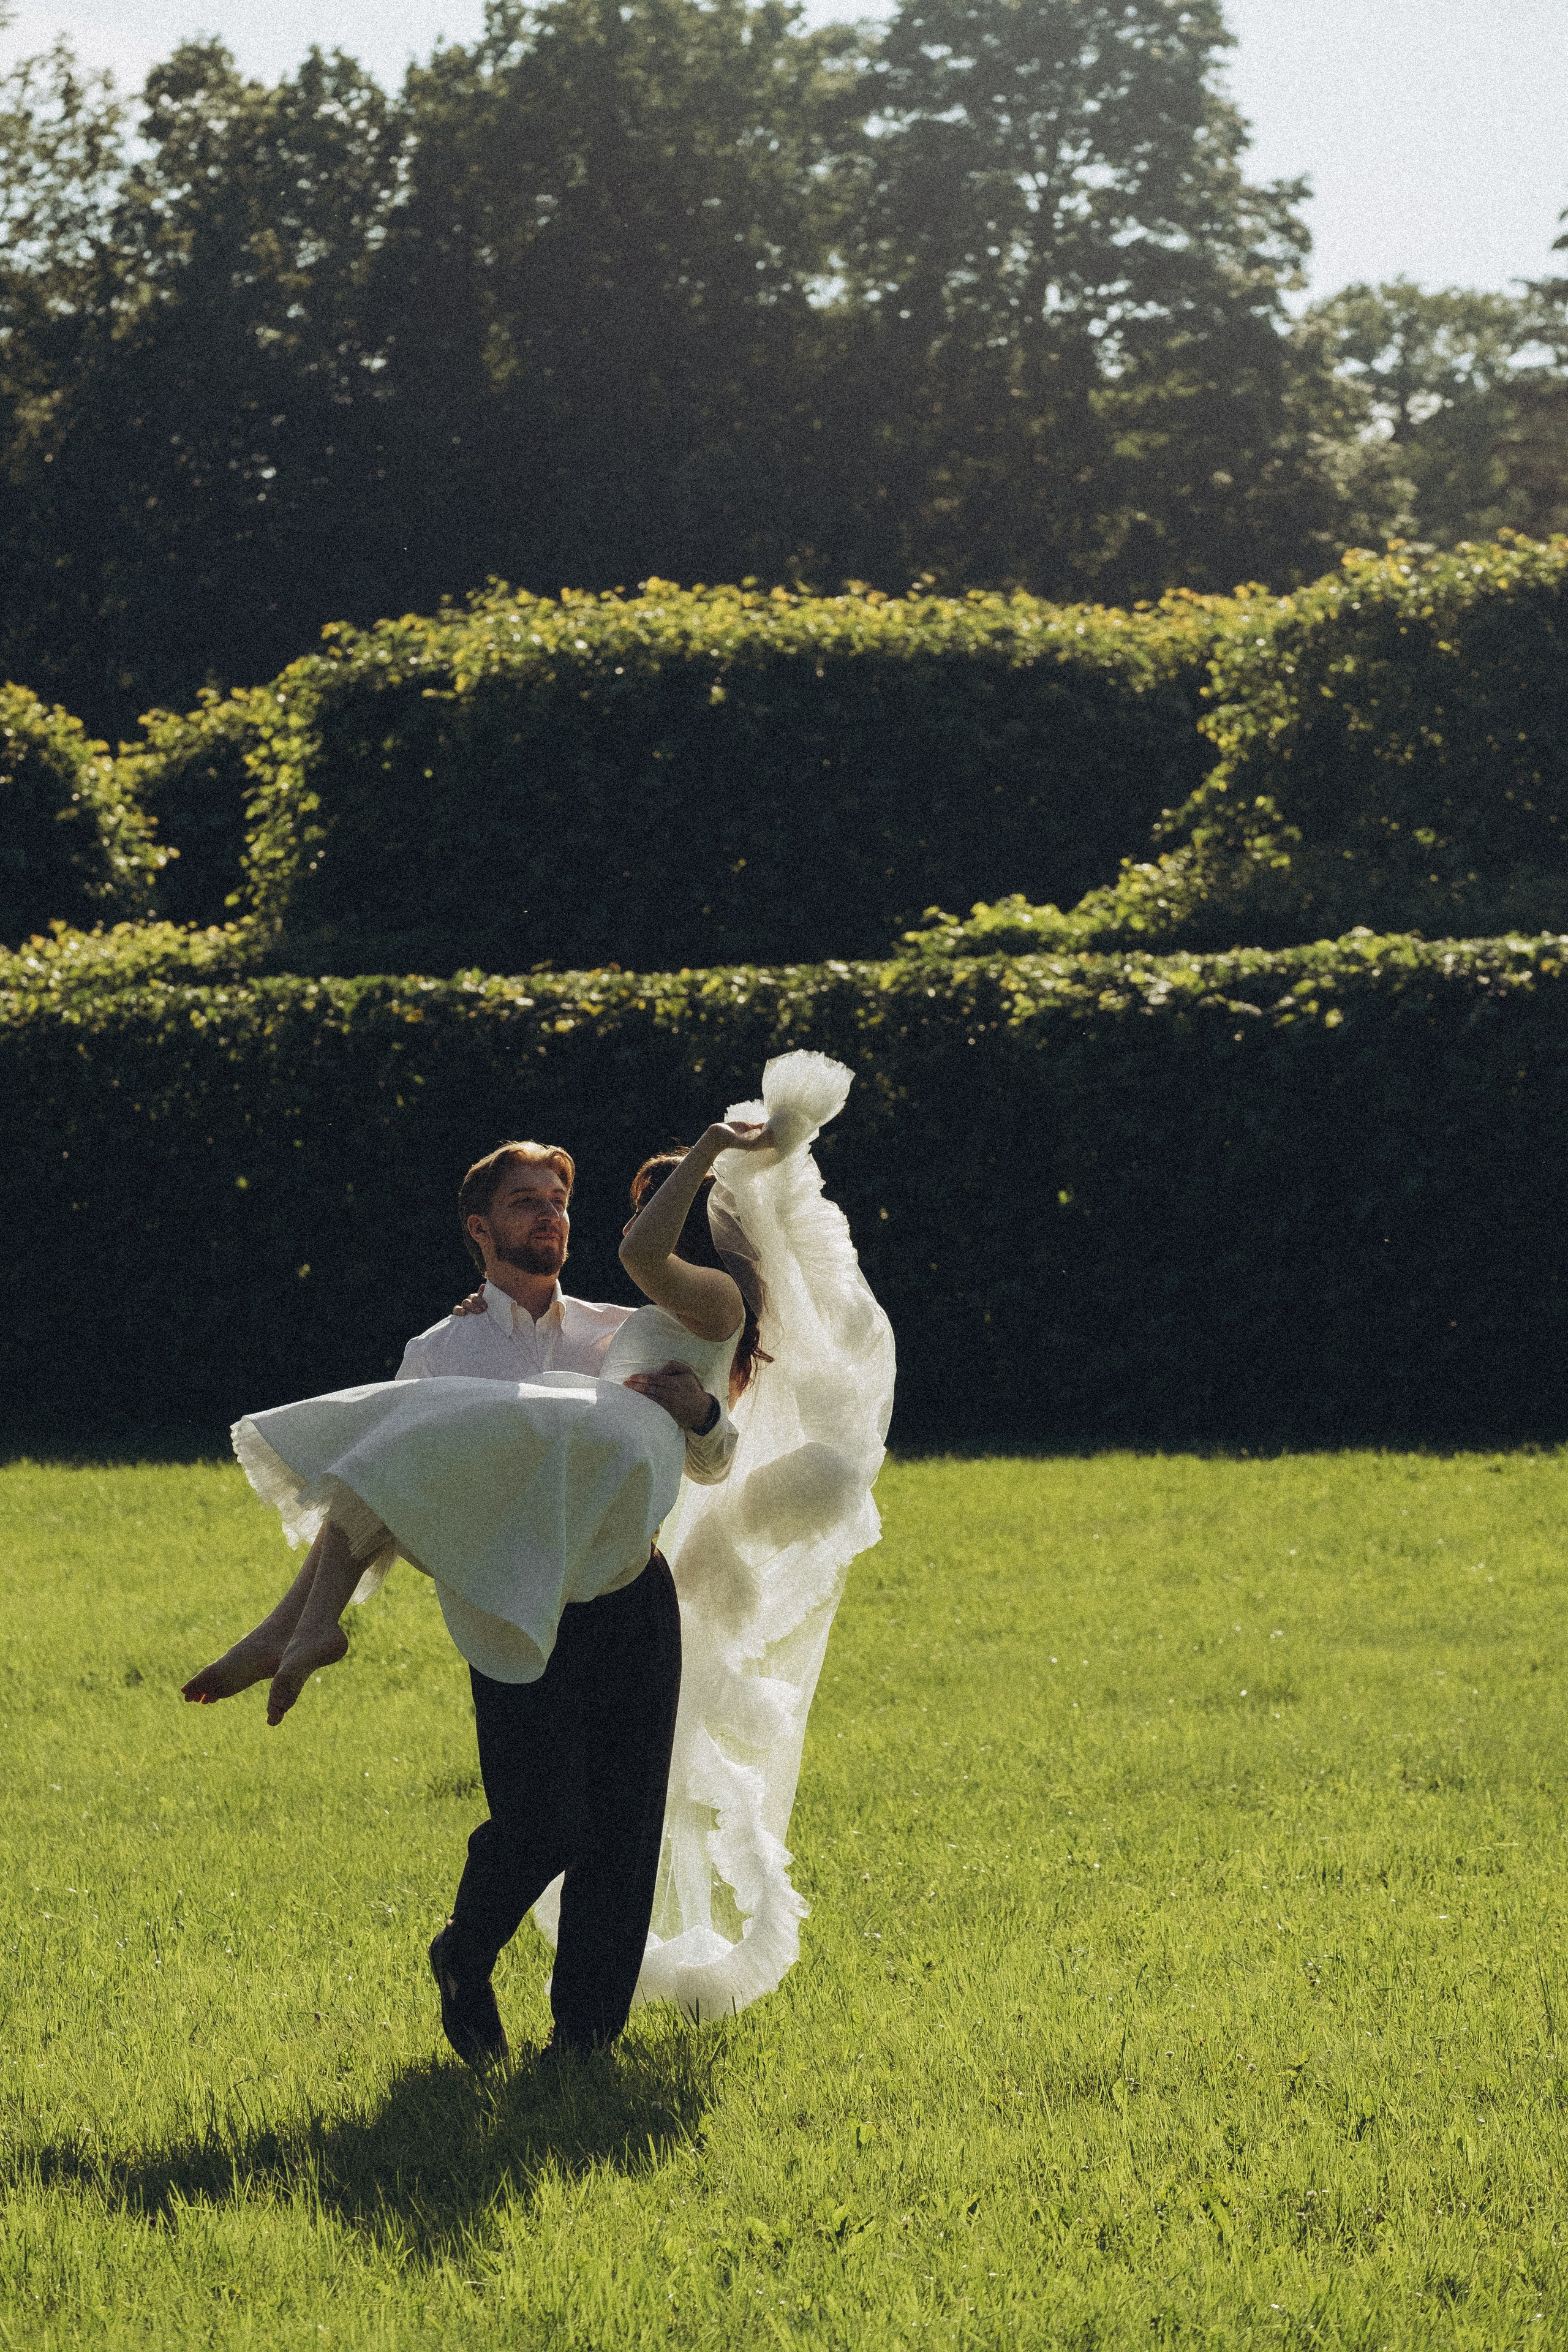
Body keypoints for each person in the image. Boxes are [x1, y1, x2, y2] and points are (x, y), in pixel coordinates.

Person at [184, 1050, 894, 2060]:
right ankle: (465, 1955)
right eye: (526, 1203)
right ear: (481, 1229)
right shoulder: (439, 1356)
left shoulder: (620, 1331)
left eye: (559, 1200)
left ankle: (583, 2045)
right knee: (544, 1823)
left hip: (629, 1600)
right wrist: (319, 1609)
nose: (550, 1217)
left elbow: (710, 1464)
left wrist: (703, 1416)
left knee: (622, 1830)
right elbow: (384, 1501)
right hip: (510, 1603)